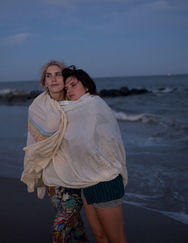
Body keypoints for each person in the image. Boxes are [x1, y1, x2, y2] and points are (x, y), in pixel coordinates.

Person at [43, 65, 128, 243]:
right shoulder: (72, 110)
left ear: (87, 86)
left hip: (105, 181)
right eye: (67, 88)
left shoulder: (94, 104)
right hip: (86, 181)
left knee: (116, 239)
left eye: (73, 85)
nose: (70, 90)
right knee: (99, 236)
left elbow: (102, 142)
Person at [21, 61, 87, 242]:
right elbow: (38, 143)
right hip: (52, 176)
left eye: (57, 74)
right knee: (75, 225)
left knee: (59, 228)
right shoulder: (37, 107)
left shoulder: (77, 102)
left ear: (64, 77)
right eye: (48, 76)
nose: (53, 79)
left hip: (76, 175)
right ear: (44, 82)